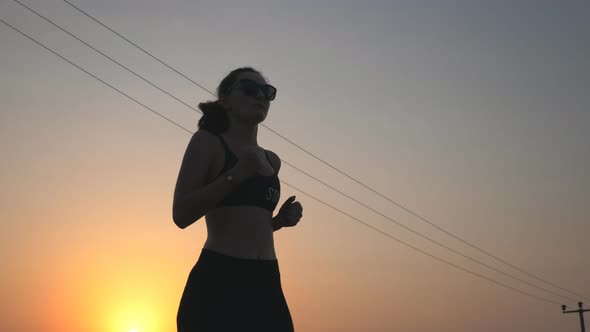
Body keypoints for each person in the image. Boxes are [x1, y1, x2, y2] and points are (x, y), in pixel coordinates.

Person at [173, 67, 303, 331]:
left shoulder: (271, 160)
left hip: (267, 281)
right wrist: (235, 175)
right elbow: (181, 214)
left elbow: (243, 222)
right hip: (218, 282)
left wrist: (277, 222)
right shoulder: (207, 142)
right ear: (226, 100)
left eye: (267, 92)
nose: (260, 96)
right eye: (249, 89)